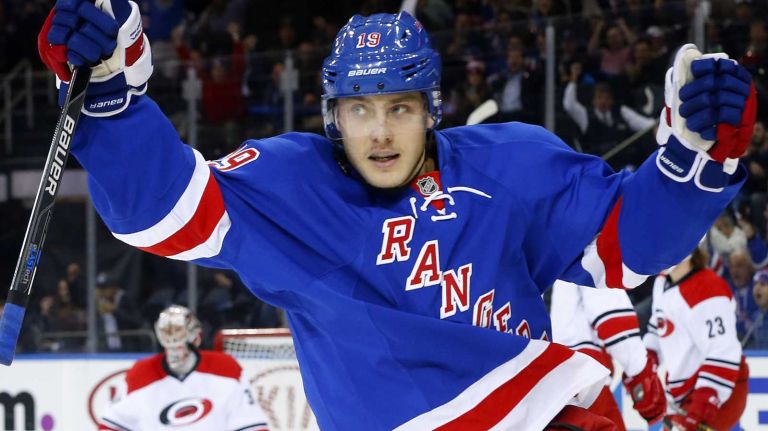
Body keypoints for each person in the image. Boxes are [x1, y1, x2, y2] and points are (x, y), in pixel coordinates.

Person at [37, 1, 755, 428]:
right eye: (360, 109)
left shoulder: (511, 164)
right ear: (332, 113)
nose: (380, 132)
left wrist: (693, 166)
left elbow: (628, 246)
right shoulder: (296, 185)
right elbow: (162, 211)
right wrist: (111, 101)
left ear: (431, 108)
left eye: (399, 108)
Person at [97, 305, 270, 431]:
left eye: (178, 331)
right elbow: (111, 425)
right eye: (168, 332)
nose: (173, 339)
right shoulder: (140, 374)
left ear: (194, 335)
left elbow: (251, 424)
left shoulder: (225, 368)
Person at [644, 247, 749, 431]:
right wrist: (645, 364)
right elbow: (658, 326)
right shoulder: (662, 282)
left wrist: (700, 409)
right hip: (682, 395)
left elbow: (723, 354)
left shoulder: (708, 288)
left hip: (719, 397)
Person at [550, 281, 665, 431]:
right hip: (585, 383)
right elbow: (607, 307)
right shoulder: (577, 260)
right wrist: (640, 372)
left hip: (544, 394)